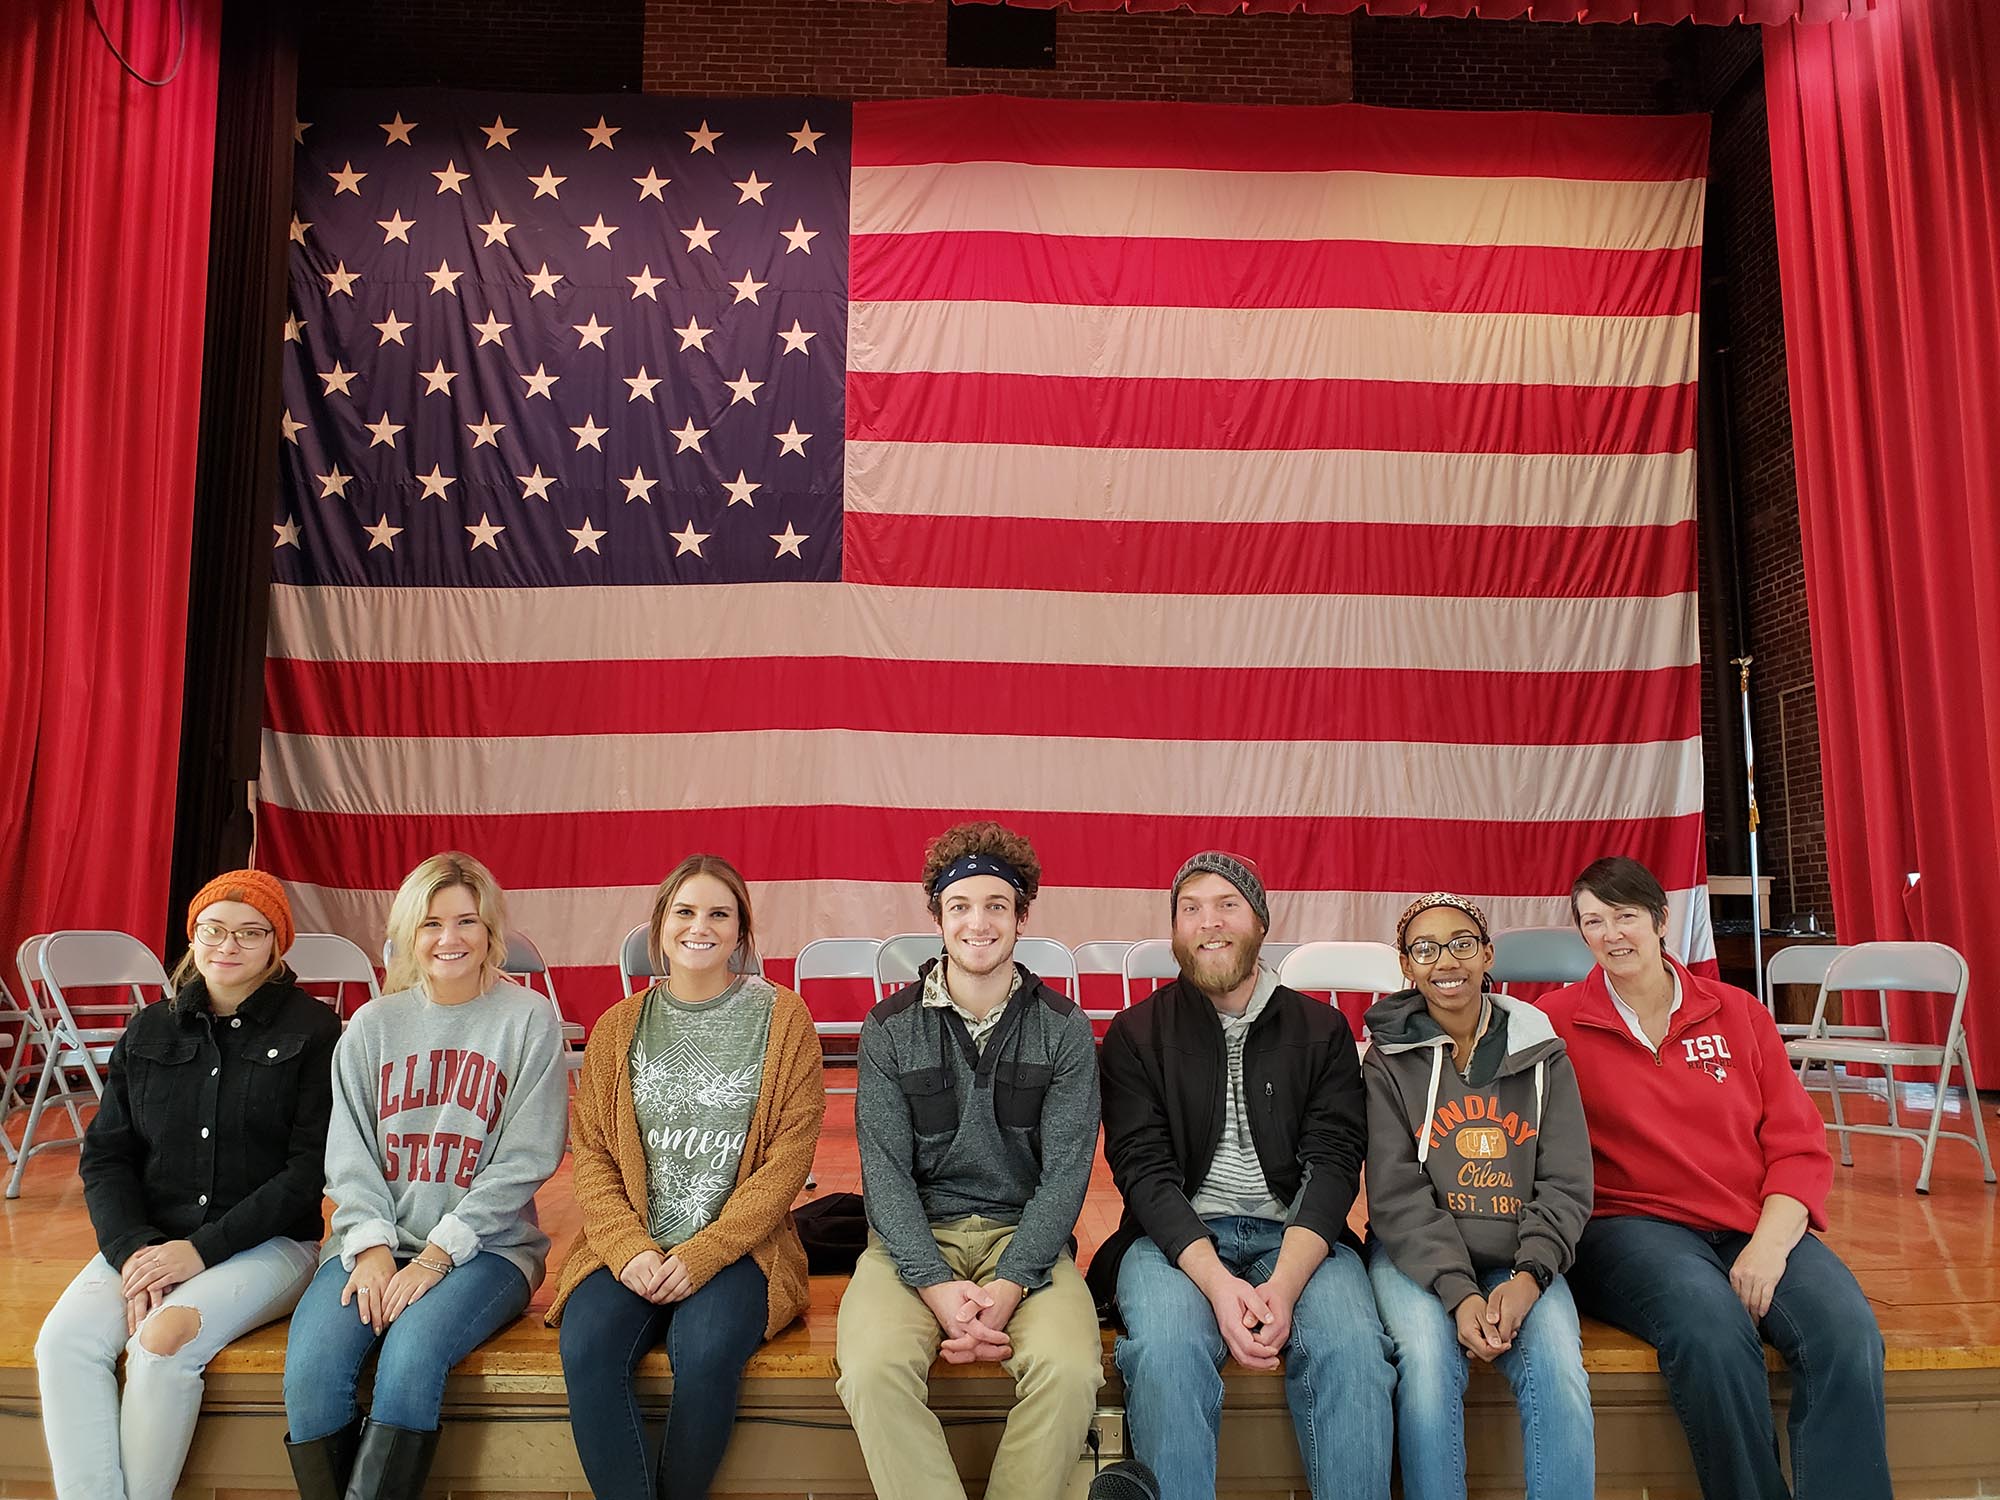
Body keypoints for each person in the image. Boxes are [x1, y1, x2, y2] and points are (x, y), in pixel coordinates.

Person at [1540, 856, 1889, 1500]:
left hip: (1750, 1218)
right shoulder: (1555, 1021)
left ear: (1661, 920)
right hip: (1629, 1225)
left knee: (1845, 1332)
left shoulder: (1737, 1012)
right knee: (1712, 1330)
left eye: (1625, 916)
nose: (1611, 934)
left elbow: (1797, 1143)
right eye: (1593, 922)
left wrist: (1769, 1245)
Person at [1091, 851, 1394, 1500]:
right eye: (1191, 909)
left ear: (1260, 921)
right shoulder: (1134, 1034)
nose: (1210, 922)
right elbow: (1143, 1172)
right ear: (1174, 930)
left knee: (1353, 1349)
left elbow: (1335, 1161)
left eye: (1227, 905)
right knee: (1166, 1351)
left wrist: (1283, 1285)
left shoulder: (1321, 1030)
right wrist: (1220, 1285)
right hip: (1174, 1242)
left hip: (1299, 1238)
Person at [34, 871, 339, 1500]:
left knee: (163, 1342)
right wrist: (134, 1251)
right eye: (213, 930)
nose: (228, 945)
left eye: (250, 933)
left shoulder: (315, 1030)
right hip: (149, 1241)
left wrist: (199, 1252)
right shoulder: (148, 1030)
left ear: (276, 943)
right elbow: (107, 1157)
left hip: (270, 1242)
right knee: (64, 1343)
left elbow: (309, 1170)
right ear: (192, 936)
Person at [282, 852, 568, 1500]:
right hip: (374, 1243)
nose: (449, 939)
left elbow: (527, 1158)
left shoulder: (528, 1020)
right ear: (408, 933)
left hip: (488, 1250)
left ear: (490, 930)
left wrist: (437, 1256)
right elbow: (348, 1155)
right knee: (313, 1370)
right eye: (431, 923)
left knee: (411, 1356)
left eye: (466, 921)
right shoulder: (372, 1026)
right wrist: (372, 1249)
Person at [835, 821, 1102, 1500]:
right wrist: (933, 1285)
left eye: (996, 906)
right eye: (960, 906)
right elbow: (885, 1174)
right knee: (871, 1369)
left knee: (1072, 1371)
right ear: (937, 917)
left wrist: (1010, 1285)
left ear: (1021, 916)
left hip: (1025, 1241)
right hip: (912, 1243)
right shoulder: (889, 1028)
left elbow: (1065, 1177)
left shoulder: (1064, 1029)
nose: (977, 923)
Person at [545, 855, 825, 1500]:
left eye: (719, 914)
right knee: (587, 1351)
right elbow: (594, 1156)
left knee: (704, 1353)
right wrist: (627, 1248)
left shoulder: (785, 1019)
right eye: (686, 912)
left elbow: (788, 1161)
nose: (701, 927)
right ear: (660, 926)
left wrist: (705, 1253)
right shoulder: (618, 1027)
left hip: (739, 1249)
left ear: (740, 931)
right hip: (633, 1245)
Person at [1363, 892, 1595, 1500]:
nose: (1447, 961)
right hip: (1418, 1259)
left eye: (1463, 943)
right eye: (1426, 949)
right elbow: (1394, 1192)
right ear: (1406, 965)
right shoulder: (1386, 1060)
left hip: (1522, 1256)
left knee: (1560, 1369)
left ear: (1488, 954)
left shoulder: (1542, 1051)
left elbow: (1567, 1181)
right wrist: (1458, 1291)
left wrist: (1531, 1276)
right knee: (1426, 1363)